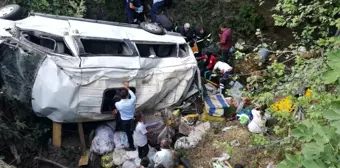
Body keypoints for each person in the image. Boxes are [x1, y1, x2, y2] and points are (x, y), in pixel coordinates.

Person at [115, 82, 137, 151]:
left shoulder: (117, 104)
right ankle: (134, 137)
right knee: (132, 131)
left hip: (124, 121)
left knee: (128, 134)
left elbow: (118, 109)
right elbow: (133, 96)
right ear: (127, 95)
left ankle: (132, 147)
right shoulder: (132, 101)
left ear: (120, 96)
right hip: (132, 120)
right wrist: (128, 88)